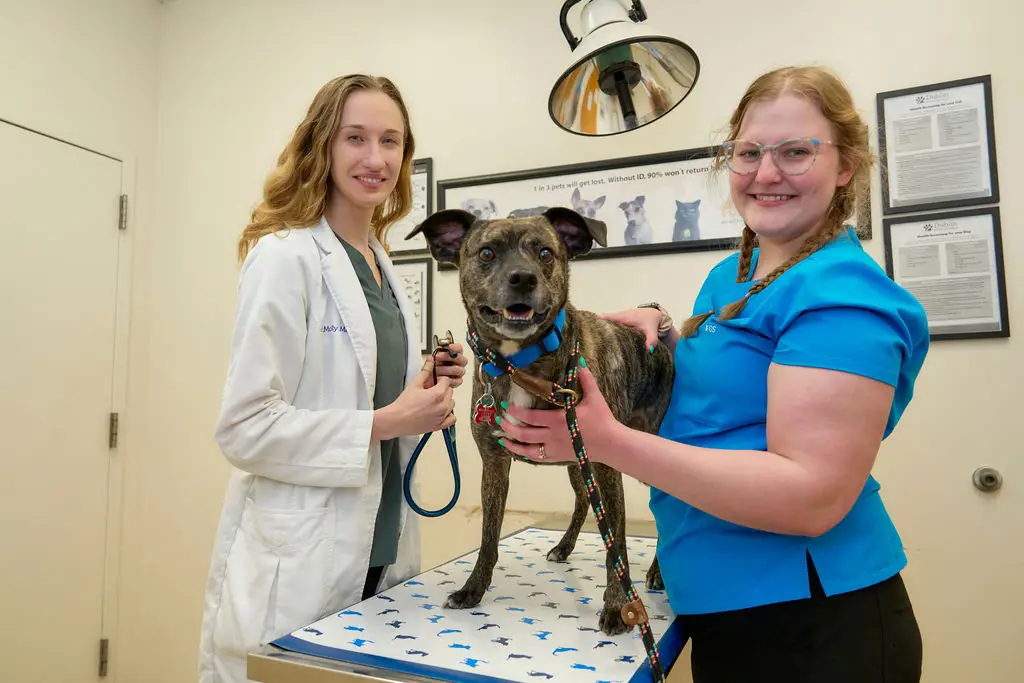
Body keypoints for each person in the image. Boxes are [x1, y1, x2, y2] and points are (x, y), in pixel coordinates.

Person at [496, 65, 928, 682]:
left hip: (810, 623)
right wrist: (663, 337)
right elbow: (726, 396)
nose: (766, 172)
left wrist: (609, 442)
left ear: (847, 165)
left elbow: (810, 496)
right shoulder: (734, 273)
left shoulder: (844, 300)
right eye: (748, 152)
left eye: (796, 151)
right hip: (716, 602)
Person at [197, 74, 468, 683]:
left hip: (382, 552)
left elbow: (361, 388)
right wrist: (387, 421)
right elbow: (244, 429)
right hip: (301, 562)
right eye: (356, 138)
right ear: (323, 145)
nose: (376, 159)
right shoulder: (285, 256)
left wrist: (422, 386)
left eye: (391, 142)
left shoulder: (382, 261)